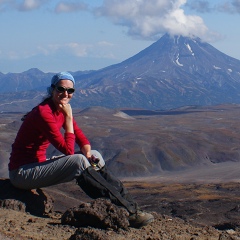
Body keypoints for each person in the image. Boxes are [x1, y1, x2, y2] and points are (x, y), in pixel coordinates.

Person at [8, 71, 154, 228]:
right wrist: (69, 118)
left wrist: (88, 151)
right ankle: (127, 212)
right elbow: (68, 150)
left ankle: (131, 207)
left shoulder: (60, 109)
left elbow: (80, 138)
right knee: (77, 161)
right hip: (21, 173)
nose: (65, 94)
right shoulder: (45, 113)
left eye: (70, 91)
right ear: (52, 90)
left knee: (96, 157)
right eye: (61, 89)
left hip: (37, 166)